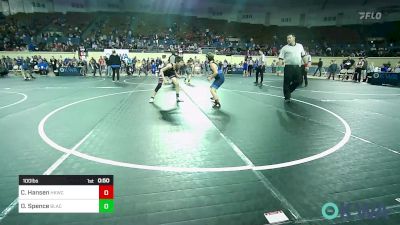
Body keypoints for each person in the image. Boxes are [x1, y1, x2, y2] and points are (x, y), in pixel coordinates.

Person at [278, 34, 309, 102]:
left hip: (298, 67)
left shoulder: (300, 46)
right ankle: (287, 97)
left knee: (299, 81)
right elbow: (280, 59)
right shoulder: (284, 48)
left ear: (294, 38)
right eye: (287, 38)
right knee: (286, 82)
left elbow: (303, 57)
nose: (288, 39)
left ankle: (288, 91)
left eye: (289, 38)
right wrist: (279, 70)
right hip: (288, 67)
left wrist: (306, 66)